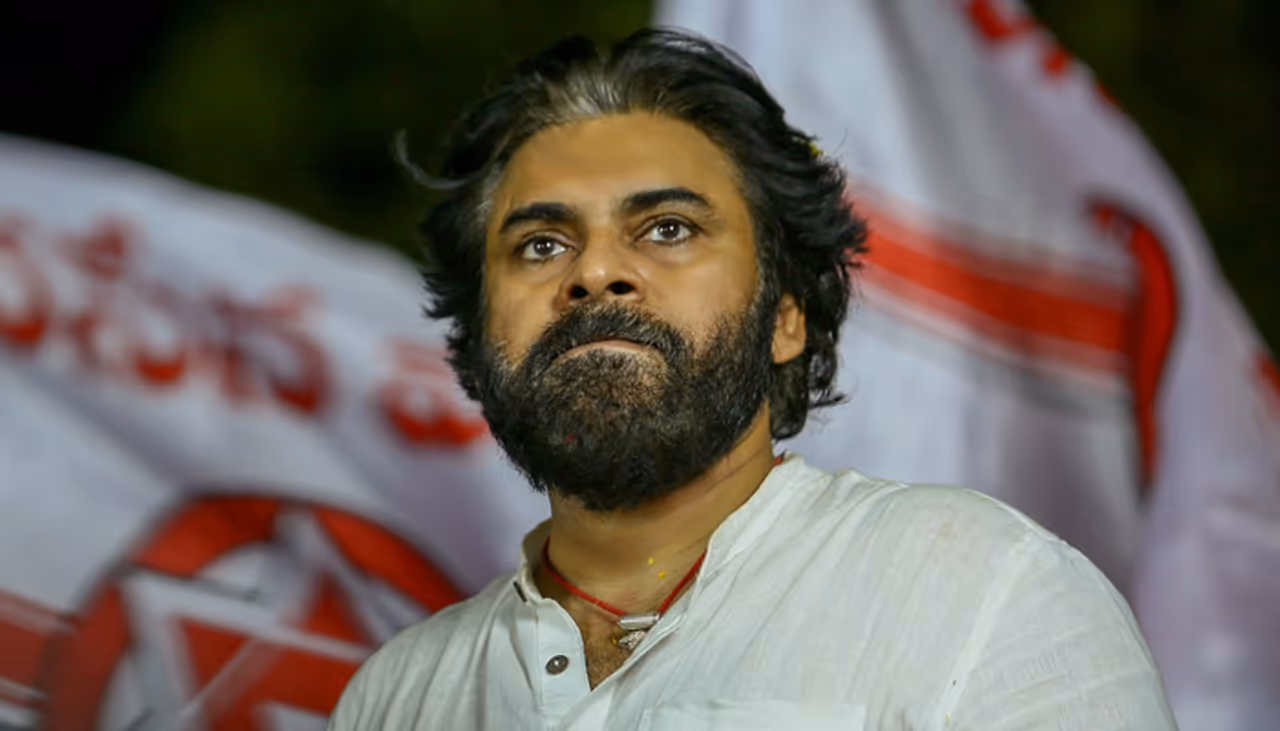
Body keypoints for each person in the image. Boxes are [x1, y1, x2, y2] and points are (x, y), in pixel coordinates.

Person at [329, 29, 1177, 730]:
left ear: (785, 317)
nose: (594, 271)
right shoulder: (396, 698)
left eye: (667, 228)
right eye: (541, 245)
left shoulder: (984, 592)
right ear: (480, 334)